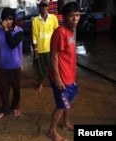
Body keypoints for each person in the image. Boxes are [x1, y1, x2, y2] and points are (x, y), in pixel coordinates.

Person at [47, 2, 80, 141]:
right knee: (61, 105)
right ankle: (51, 131)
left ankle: (66, 123)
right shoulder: (60, 33)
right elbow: (53, 56)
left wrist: (72, 74)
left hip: (69, 76)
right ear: (64, 17)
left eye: (77, 15)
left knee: (68, 101)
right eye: (71, 16)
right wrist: (58, 78)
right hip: (61, 78)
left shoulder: (71, 31)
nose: (75, 19)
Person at [0, 7, 23, 119]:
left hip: (15, 66)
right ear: (2, 20)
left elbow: (12, 44)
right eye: (5, 19)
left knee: (16, 89)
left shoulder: (19, 31)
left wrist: (6, 31)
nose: (8, 21)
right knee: (3, 90)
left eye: (10, 19)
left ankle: (15, 106)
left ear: (14, 20)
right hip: (2, 67)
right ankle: (5, 109)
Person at [31, 0, 59, 91]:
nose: (44, 8)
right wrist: (35, 48)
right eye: (42, 6)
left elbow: (57, 32)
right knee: (40, 70)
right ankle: (40, 83)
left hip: (51, 48)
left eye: (45, 6)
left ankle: (55, 82)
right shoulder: (35, 20)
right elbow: (34, 35)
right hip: (40, 49)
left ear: (48, 7)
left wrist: (57, 46)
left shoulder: (53, 18)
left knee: (54, 67)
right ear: (39, 7)